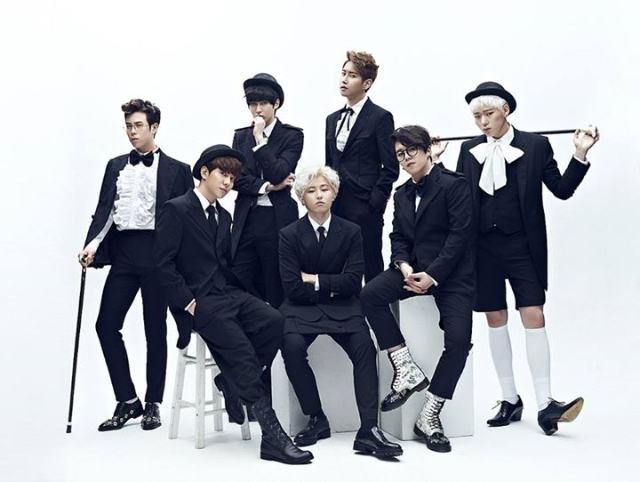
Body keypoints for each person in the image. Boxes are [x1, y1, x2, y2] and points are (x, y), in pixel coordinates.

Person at [453, 81, 599, 435]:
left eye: (488, 114)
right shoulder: (468, 149)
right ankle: (509, 398)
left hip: (522, 246)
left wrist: (580, 154)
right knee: (494, 317)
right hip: (482, 248)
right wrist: (435, 164)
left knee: (533, 313)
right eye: (476, 116)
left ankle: (546, 404)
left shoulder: (535, 145)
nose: (482, 122)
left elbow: (562, 189)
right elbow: (457, 197)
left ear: (505, 110)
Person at [154, 144, 313, 465]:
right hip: (199, 301)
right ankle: (273, 437)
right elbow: (163, 265)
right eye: (222, 174)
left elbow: (225, 264)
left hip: (227, 293)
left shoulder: (224, 215)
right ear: (204, 172)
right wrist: (189, 303)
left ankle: (229, 381)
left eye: (233, 177)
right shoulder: (177, 209)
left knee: (274, 320)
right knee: (241, 351)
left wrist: (247, 296)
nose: (228, 182)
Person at [78, 99, 193, 432]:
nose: (132, 132)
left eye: (138, 125)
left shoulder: (178, 170)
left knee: (154, 329)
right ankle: (128, 401)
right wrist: (91, 245)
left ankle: (153, 401)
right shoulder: (115, 165)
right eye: (128, 126)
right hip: (125, 253)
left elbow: (187, 221)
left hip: (159, 255)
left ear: (154, 127)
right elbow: (106, 211)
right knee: (105, 325)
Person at [360, 125, 474, 453]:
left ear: (426, 150)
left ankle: (430, 414)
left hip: (451, 277)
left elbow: (460, 236)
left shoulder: (454, 184)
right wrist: (404, 266)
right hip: (412, 272)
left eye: (411, 150)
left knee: (458, 341)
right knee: (370, 295)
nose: (406, 158)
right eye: (400, 154)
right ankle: (406, 367)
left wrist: (432, 275)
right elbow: (398, 236)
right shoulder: (401, 194)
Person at [278, 166, 403, 459]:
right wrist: (332, 286)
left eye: (324, 189)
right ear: (302, 198)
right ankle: (316, 418)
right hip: (301, 308)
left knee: (365, 348)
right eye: (311, 190)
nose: (319, 195)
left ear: (334, 194)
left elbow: (353, 282)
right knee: (291, 346)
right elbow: (292, 287)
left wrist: (314, 279)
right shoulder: (288, 234)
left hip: (344, 307)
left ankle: (369, 429)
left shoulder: (351, 231)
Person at [231, 73, 303, 309]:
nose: (258, 109)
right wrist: (268, 187)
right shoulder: (240, 136)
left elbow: (278, 172)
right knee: (238, 280)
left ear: (276, 103)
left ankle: (280, 332)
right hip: (247, 217)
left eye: (263, 103)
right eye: (253, 104)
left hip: (277, 219)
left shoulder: (292, 135)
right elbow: (236, 179)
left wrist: (260, 140)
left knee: (276, 284)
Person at [325, 51, 398, 282]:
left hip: (365, 205)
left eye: (352, 75)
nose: (344, 79)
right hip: (336, 204)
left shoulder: (380, 117)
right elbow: (330, 164)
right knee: (337, 263)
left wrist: (375, 203)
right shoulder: (332, 119)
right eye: (343, 73)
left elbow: (391, 167)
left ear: (366, 83)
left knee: (370, 264)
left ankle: (377, 306)